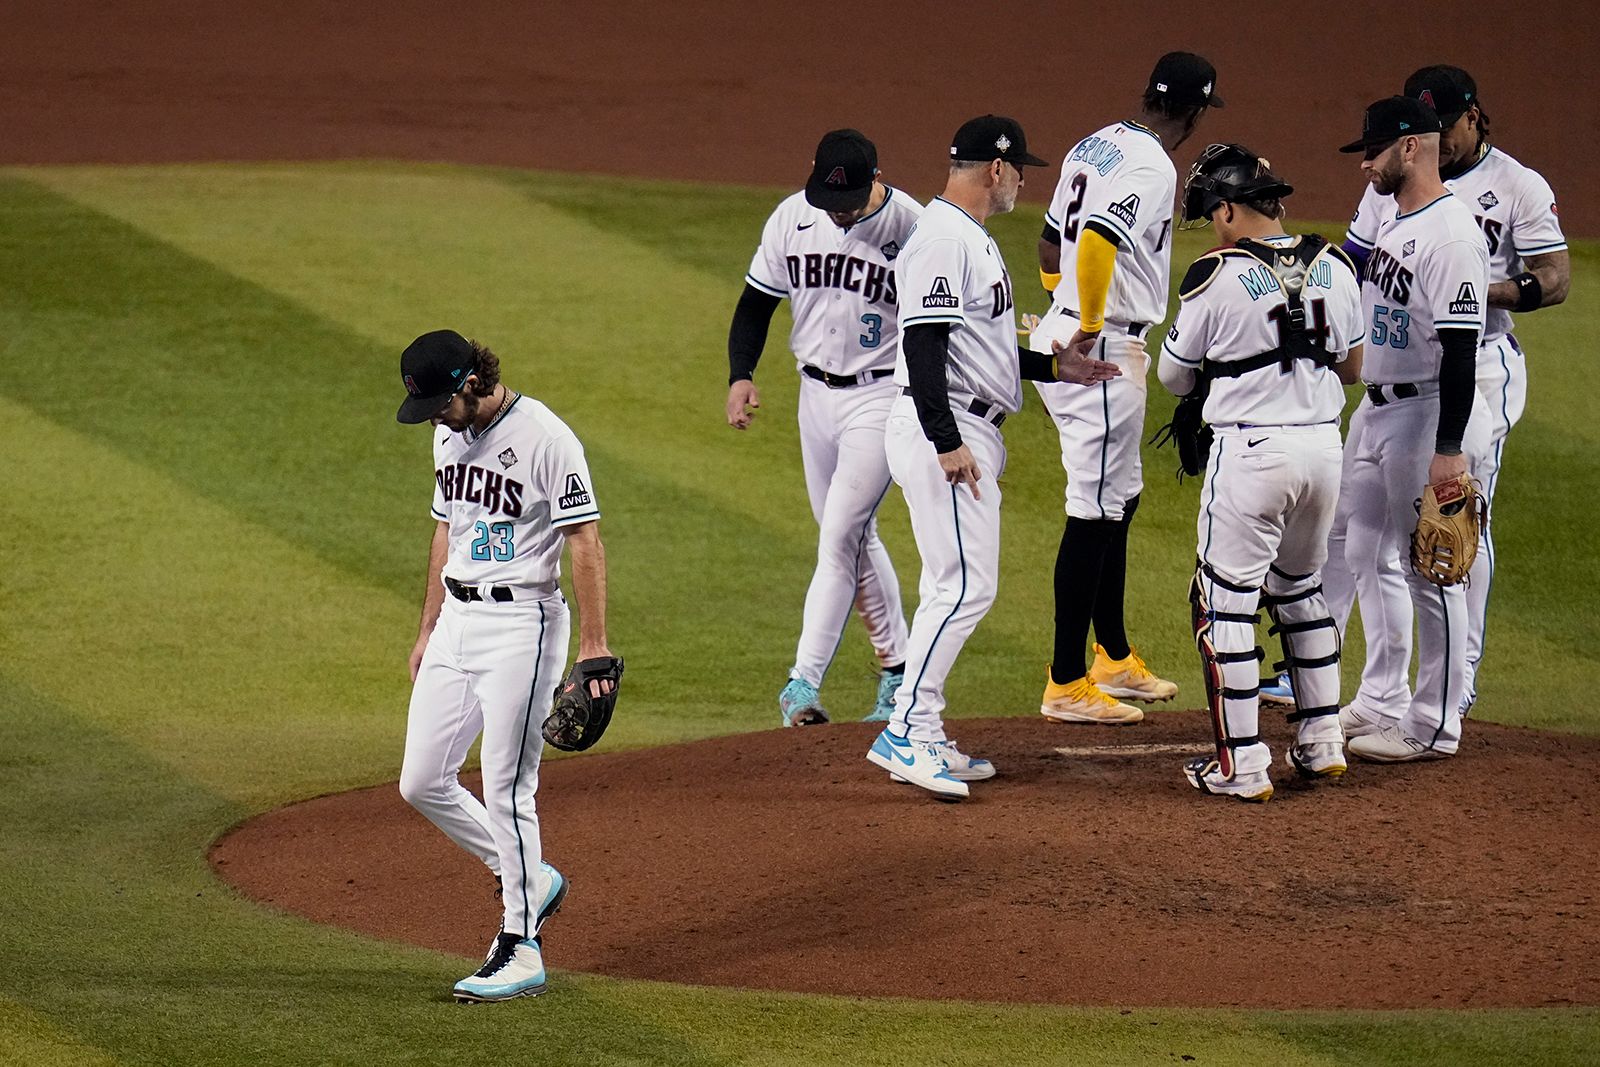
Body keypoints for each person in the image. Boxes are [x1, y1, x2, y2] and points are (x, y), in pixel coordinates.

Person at [1264, 66, 1570, 715]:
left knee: (1453, 527)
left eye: (1448, 122)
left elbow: (1555, 276)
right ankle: (1314, 664)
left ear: (1472, 116)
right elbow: (1356, 261)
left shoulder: (1515, 187)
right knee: (1350, 528)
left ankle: (1456, 681)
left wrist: (1486, 292)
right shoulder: (1390, 186)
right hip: (1394, 375)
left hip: (1478, 366)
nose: (1442, 134)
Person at [866, 115, 1120, 800]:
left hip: (957, 424)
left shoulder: (964, 237)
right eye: (1020, 169)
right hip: (943, 429)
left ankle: (922, 726)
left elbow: (975, 344)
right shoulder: (946, 239)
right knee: (963, 588)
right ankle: (905, 730)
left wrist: (1049, 364)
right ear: (995, 169)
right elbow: (923, 345)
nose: (1024, 182)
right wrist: (946, 440)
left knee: (953, 584)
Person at [394, 330, 615, 1001]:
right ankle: (532, 877)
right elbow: (446, 528)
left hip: (524, 624)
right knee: (421, 780)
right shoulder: (447, 435)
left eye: (441, 401)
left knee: (507, 785)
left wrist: (593, 647)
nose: (434, 415)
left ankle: (522, 945)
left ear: (471, 381)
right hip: (459, 621)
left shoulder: (547, 438)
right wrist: (428, 624)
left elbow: (585, 537)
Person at [1157, 145, 1365, 801]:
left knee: (1222, 602)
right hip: (1323, 451)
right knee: (1301, 587)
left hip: (1252, 455)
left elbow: (1172, 374)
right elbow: (1353, 367)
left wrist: (1229, 371)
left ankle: (1241, 765)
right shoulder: (1335, 263)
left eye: (1210, 212)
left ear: (1227, 207)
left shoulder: (1213, 275)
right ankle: (1323, 742)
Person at [1029, 52, 1222, 724]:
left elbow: (1051, 245)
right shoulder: (1151, 164)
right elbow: (1095, 245)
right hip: (1102, 348)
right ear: (1195, 113)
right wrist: (1085, 325)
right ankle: (1066, 680)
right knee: (1094, 509)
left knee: (1122, 495)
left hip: (1069, 334)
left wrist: (1058, 313)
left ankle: (1110, 655)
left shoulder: (1095, 143)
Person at [727, 130, 920, 727]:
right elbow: (756, 302)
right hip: (815, 397)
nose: (837, 210)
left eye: (849, 199)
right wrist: (741, 375)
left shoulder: (911, 227)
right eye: (828, 197)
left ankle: (800, 684)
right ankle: (897, 673)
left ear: (877, 178)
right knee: (855, 539)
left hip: (882, 394)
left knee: (840, 536)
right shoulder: (792, 217)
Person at [1327, 97, 1491, 762]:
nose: (1365, 162)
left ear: (1412, 148)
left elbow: (1460, 348)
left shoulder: (1450, 234)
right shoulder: (1400, 218)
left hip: (1428, 416)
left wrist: (1448, 451)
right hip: (1377, 410)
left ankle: (1433, 724)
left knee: (1432, 570)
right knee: (1361, 548)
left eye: (1375, 150)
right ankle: (1380, 698)